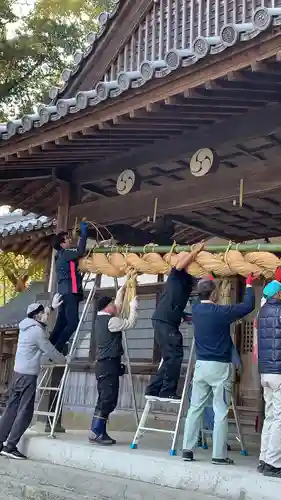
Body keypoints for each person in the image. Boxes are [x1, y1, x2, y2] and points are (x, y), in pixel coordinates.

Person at [182, 273, 257, 465]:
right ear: (214, 295)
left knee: (195, 408)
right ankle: (218, 455)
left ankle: (187, 449)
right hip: (220, 367)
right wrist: (248, 285)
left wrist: (207, 281)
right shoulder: (221, 313)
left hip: (201, 366)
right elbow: (247, 306)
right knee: (221, 410)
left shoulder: (196, 311)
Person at [0, 294, 66, 460]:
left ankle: (0, 442)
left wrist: (51, 307)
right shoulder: (37, 332)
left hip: (17, 374)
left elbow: (42, 318)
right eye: (43, 313)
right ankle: (10, 446)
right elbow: (50, 351)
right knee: (25, 412)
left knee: (11, 409)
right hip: (28, 376)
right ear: (37, 316)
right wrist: (66, 360)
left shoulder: (26, 326)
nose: (46, 315)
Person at [145, 243, 204, 401]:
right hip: (165, 322)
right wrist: (195, 251)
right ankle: (167, 391)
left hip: (164, 320)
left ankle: (153, 390)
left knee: (169, 356)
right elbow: (179, 264)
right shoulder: (176, 274)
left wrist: (184, 316)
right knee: (175, 356)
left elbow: (175, 302)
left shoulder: (186, 282)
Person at [89, 285, 138, 445]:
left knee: (104, 398)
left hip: (104, 365)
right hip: (108, 365)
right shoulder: (111, 322)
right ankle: (97, 432)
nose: (115, 306)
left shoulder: (100, 319)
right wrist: (133, 308)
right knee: (108, 399)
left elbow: (116, 306)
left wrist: (121, 291)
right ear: (106, 307)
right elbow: (130, 324)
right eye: (111, 304)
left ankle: (97, 431)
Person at [49, 221, 88, 352]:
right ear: (62, 243)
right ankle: (57, 348)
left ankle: (49, 346)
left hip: (63, 292)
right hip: (70, 292)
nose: (70, 239)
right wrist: (83, 234)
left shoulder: (60, 255)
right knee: (72, 323)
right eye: (67, 238)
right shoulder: (65, 253)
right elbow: (80, 251)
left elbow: (76, 254)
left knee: (62, 323)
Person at [257, 278, 281, 478]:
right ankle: (274, 463)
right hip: (279, 372)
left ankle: (264, 459)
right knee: (280, 418)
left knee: (270, 416)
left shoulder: (262, 312)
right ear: (278, 294)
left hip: (265, 372)